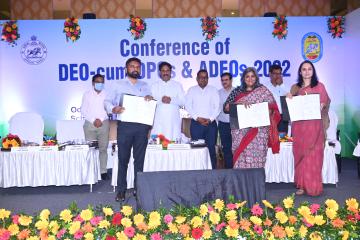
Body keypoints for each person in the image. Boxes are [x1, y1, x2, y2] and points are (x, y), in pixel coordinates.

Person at [104, 57, 153, 202]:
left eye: (138, 67)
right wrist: (114, 108)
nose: (135, 69)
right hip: (125, 126)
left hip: (141, 127)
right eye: (132, 66)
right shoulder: (117, 84)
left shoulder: (145, 86)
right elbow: (107, 101)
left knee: (139, 160)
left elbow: (150, 105)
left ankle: (139, 189)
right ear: (126, 69)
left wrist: (150, 99)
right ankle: (121, 190)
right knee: (123, 159)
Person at [287, 60, 330, 196]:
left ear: (313, 71)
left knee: (313, 156)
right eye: (304, 69)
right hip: (300, 128)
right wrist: (289, 98)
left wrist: (322, 105)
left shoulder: (319, 86)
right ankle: (301, 186)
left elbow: (325, 102)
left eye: (309, 69)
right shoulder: (295, 88)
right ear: (300, 72)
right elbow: (289, 108)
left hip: (314, 128)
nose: (306, 72)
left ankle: (313, 187)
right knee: (300, 156)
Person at [224, 67, 280, 169]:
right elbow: (226, 108)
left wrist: (267, 111)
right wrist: (237, 103)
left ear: (256, 78)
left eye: (252, 76)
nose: (250, 79)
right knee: (241, 157)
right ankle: (241, 183)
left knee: (257, 159)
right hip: (240, 132)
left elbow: (273, 108)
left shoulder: (263, 90)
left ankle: (256, 183)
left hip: (259, 133)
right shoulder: (237, 91)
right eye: (247, 76)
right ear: (243, 78)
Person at [185, 69, 220, 169]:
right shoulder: (192, 90)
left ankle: (212, 172)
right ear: (197, 79)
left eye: (205, 78)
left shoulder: (213, 90)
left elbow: (217, 107)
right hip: (196, 124)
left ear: (208, 79)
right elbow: (188, 106)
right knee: (197, 150)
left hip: (211, 125)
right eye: (201, 77)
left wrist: (210, 119)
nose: (203, 79)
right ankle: (197, 171)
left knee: (211, 150)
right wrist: (197, 118)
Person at [81, 74, 110, 180]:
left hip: (104, 123)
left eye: (102, 82)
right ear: (93, 83)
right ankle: (91, 172)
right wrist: (94, 120)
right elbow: (83, 110)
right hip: (90, 124)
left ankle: (103, 171)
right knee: (90, 149)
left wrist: (100, 120)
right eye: (98, 82)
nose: (100, 84)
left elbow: (109, 109)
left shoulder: (107, 94)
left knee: (103, 148)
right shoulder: (87, 94)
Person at [151, 61, 185, 141]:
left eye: (167, 71)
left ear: (171, 72)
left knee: (173, 143)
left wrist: (171, 100)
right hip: (159, 120)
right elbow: (150, 103)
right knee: (158, 144)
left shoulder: (177, 85)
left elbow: (183, 101)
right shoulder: (154, 86)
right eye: (163, 71)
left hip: (173, 121)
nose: (165, 73)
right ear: (160, 72)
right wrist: (160, 100)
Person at [217, 72, 234, 169]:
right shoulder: (218, 93)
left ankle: (237, 170)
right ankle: (229, 170)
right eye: (222, 80)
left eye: (226, 80)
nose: (224, 82)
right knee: (226, 148)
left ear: (231, 80)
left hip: (235, 124)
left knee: (236, 148)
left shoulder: (237, 92)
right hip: (223, 124)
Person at [266, 64, 289, 134]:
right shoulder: (265, 87)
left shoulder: (285, 87)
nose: (277, 76)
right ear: (270, 74)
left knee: (282, 141)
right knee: (270, 141)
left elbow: (289, 99)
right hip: (270, 117)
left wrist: (281, 85)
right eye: (275, 74)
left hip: (283, 118)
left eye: (279, 74)